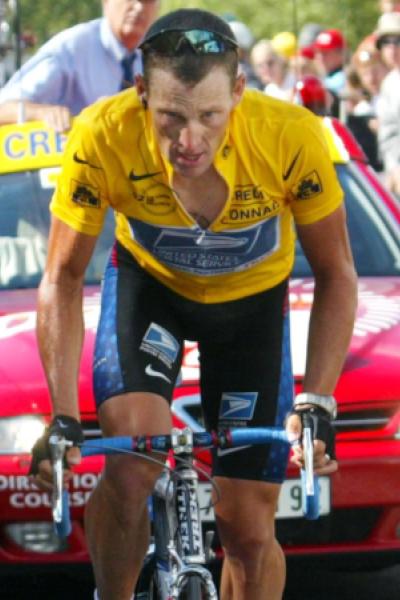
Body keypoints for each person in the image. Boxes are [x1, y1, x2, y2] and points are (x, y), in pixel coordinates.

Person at [30, 8, 357, 600]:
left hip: (252, 308)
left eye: (210, 115)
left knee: (249, 525)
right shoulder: (102, 134)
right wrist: (60, 415)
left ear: (239, 90)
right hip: (150, 292)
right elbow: (62, 276)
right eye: (170, 116)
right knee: (131, 465)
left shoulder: (290, 135)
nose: (190, 141)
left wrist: (319, 404)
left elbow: (337, 273)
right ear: (140, 93)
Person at [0, 0, 160, 131]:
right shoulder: (71, 51)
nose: (139, 7)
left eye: (148, 0)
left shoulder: (160, 57)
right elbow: (4, 108)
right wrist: (42, 113)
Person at [376, 12, 400, 195]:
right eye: (386, 42)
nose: (392, 48)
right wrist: (393, 168)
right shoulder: (390, 82)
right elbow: (389, 135)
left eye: (398, 40)